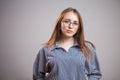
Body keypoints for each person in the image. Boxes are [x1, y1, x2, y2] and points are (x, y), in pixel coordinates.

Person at [33, 7, 102, 80]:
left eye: (75, 23)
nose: (70, 26)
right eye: (66, 21)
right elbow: (38, 76)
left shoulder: (87, 48)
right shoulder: (46, 49)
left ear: (79, 28)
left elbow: (95, 74)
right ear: (59, 24)